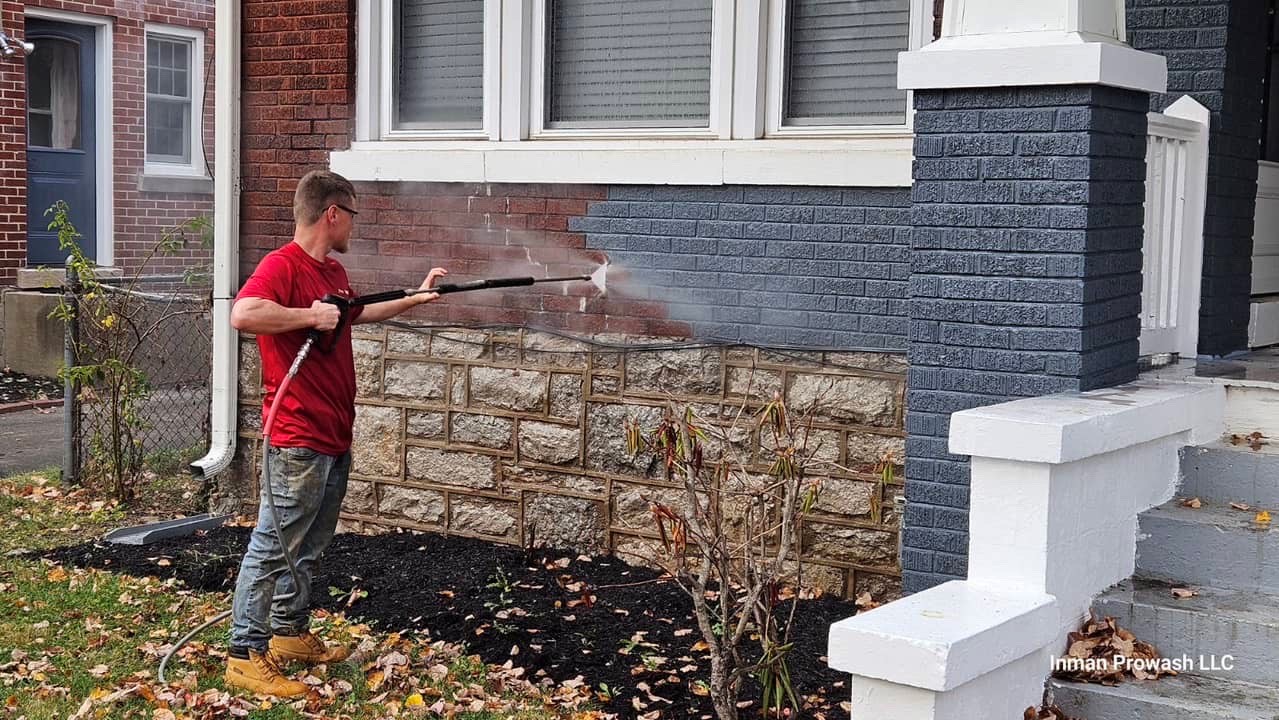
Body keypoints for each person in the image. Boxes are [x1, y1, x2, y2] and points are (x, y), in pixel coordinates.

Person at [225, 169, 446, 697]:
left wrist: (414, 299)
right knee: (274, 546)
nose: (354, 226)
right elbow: (243, 313)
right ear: (332, 214)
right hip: (297, 433)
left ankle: (288, 632)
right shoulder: (282, 266)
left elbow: (356, 312)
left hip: (332, 432)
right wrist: (310, 316)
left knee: (308, 543)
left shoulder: (334, 272)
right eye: (352, 215)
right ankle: (242, 653)